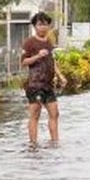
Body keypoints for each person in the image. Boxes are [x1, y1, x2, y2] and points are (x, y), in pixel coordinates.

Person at [21, 12, 66, 145]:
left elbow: (52, 61)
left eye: (45, 24)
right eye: (40, 24)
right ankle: (33, 144)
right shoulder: (29, 42)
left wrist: (60, 76)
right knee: (35, 114)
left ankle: (55, 142)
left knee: (55, 113)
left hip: (48, 85)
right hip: (35, 85)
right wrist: (37, 56)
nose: (43, 27)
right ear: (35, 26)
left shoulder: (49, 42)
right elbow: (23, 62)